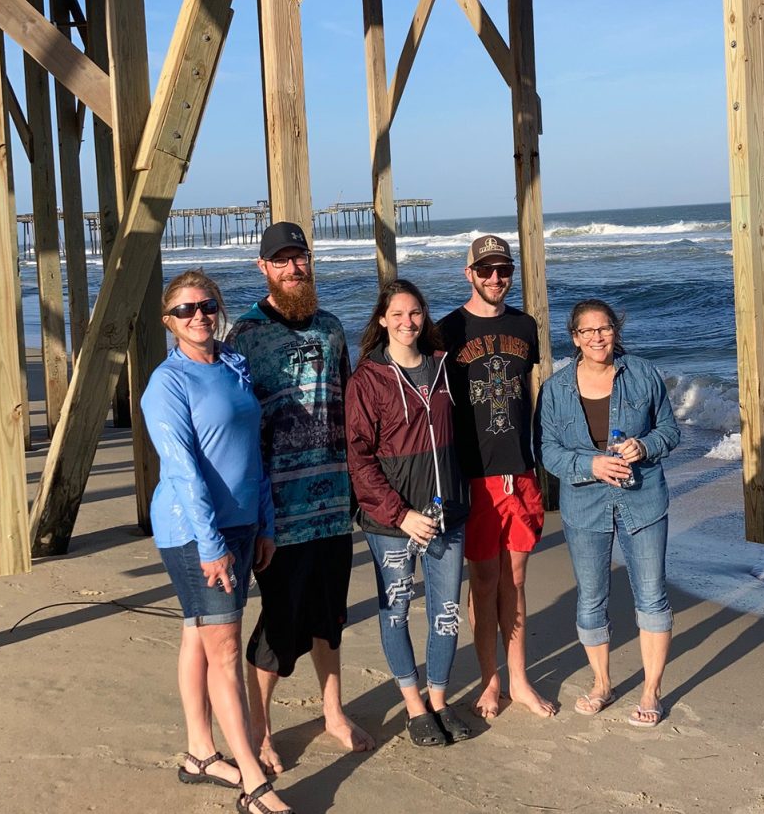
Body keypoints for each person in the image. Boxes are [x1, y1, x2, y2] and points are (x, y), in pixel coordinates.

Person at [140, 270, 304, 814]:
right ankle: (255, 783)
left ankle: (199, 752)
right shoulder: (167, 383)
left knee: (199, 632)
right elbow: (183, 472)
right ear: (169, 322)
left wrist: (264, 521)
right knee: (225, 645)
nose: (199, 316)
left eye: (206, 305)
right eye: (185, 310)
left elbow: (252, 452)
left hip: (239, 525)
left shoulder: (233, 366)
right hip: (194, 531)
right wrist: (212, 546)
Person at [226, 222, 374, 774]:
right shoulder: (245, 335)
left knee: (328, 617)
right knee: (281, 622)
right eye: (282, 260)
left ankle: (332, 712)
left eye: (300, 258)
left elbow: (349, 409)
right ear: (263, 268)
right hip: (278, 511)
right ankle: (259, 729)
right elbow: (236, 424)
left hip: (333, 503)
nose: (294, 268)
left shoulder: (334, 329)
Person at [536, 298, 680, 728]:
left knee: (652, 595)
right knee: (592, 598)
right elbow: (547, 452)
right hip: (585, 503)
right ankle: (602, 683)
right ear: (575, 338)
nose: (597, 338)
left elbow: (669, 431)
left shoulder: (643, 374)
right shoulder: (556, 390)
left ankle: (651, 689)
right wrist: (591, 465)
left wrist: (646, 446)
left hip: (643, 499)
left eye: (605, 329)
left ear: (615, 331)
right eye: (588, 331)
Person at [345, 279, 472, 747]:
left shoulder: (443, 368)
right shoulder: (368, 379)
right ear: (382, 320)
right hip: (393, 524)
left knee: (446, 612)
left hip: (446, 516)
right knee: (396, 609)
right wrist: (400, 516)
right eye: (397, 314)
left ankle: (438, 699)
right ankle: (413, 704)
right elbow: (359, 458)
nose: (407, 322)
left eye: (415, 313)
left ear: (425, 317)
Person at [438, 235, 554, 720]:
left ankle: (520, 680)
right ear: (469, 274)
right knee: (484, 581)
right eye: (485, 270)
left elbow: (538, 394)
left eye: (502, 270)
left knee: (518, 580)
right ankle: (489, 682)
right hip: (474, 477)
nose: (494, 279)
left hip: (521, 471)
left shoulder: (525, 326)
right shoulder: (446, 330)